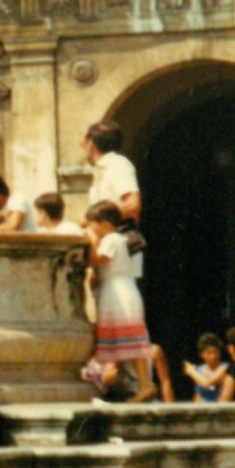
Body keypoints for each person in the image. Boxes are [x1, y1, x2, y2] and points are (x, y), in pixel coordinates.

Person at [81, 201, 155, 403]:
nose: (90, 227)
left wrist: (90, 238)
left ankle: (144, 383)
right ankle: (132, 384)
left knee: (129, 336)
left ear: (103, 223)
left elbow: (94, 260)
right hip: (115, 289)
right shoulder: (115, 239)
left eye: (92, 223)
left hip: (118, 292)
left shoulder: (111, 239)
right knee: (122, 338)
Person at [84, 120, 143, 279]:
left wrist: (94, 220)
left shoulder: (117, 165)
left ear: (90, 144)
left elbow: (132, 204)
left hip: (119, 244)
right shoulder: (101, 170)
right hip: (106, 247)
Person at [185, 334, 229, 404]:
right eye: (209, 353)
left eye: (215, 352)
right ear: (201, 354)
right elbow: (198, 394)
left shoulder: (225, 367)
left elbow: (207, 383)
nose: (213, 356)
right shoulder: (200, 370)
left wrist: (191, 372)